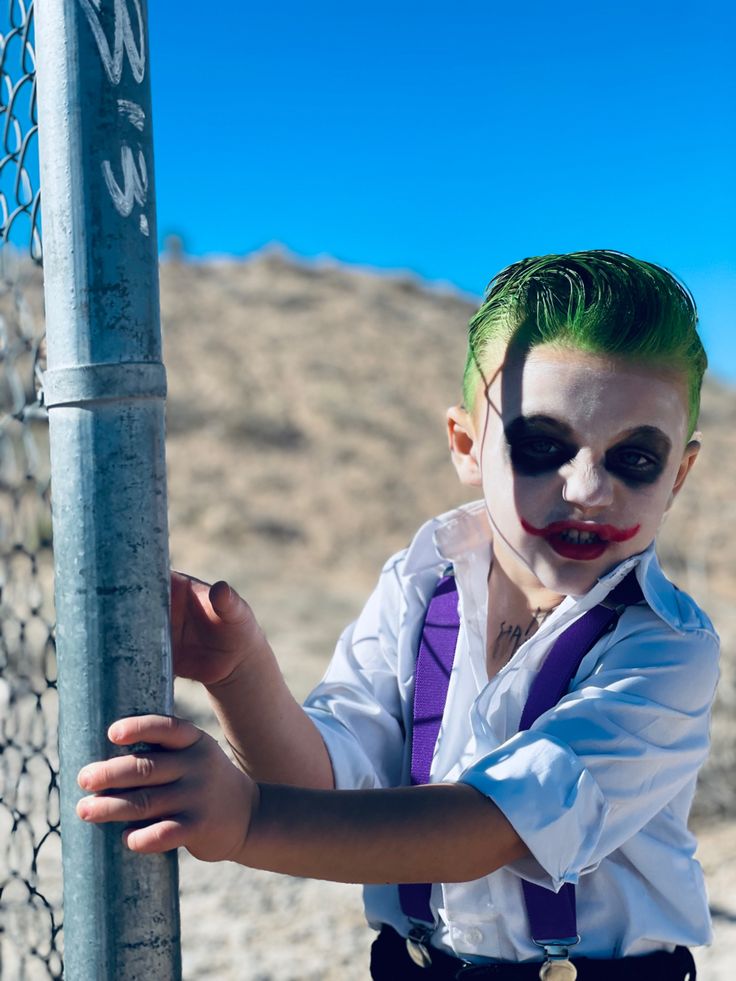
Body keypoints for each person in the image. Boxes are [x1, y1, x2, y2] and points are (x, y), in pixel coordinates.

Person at [76, 251, 718, 979]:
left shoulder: (665, 647)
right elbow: (323, 780)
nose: (588, 487)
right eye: (542, 445)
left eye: (635, 459)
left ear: (679, 476)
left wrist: (249, 821)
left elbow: (491, 826)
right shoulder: (421, 589)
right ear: (468, 446)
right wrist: (240, 673)